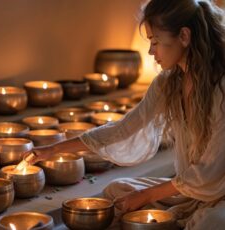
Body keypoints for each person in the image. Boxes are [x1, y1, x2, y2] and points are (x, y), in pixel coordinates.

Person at [28, 0, 225, 229]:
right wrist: (52, 150)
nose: (151, 51)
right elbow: (124, 128)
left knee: (211, 222)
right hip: (191, 193)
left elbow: (209, 174)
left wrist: (146, 196)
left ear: (183, 36)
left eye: (155, 41)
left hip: (219, 194)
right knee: (117, 189)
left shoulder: (221, 87)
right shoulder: (168, 83)